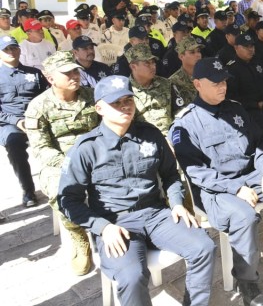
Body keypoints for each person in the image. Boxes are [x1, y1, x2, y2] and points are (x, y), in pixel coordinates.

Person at [58, 75, 215, 306]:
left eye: (128, 101)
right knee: (132, 277)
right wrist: (103, 228)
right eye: (116, 103)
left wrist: (177, 203)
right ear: (99, 108)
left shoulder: (149, 135)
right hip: (116, 223)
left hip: (156, 214)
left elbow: (170, 174)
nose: (124, 107)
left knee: (204, 247)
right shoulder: (86, 148)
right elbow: (68, 200)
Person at [170, 58, 263, 306]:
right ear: (197, 84)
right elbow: (196, 172)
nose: (222, 86)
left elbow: (261, 144)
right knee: (243, 216)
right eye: (215, 82)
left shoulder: (236, 110)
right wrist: (236, 189)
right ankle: (247, 282)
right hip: (217, 189)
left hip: (252, 175)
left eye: (224, 80)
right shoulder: (185, 123)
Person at [24, 51, 99, 275]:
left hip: (97, 155)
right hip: (61, 163)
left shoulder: (92, 95)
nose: (74, 76)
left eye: (75, 70)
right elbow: (41, 148)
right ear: (50, 78)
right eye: (67, 73)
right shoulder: (38, 106)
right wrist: (71, 164)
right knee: (59, 191)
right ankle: (79, 237)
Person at [0, 36, 48, 207]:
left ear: (20, 50)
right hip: (10, 123)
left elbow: (47, 97)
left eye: (14, 48)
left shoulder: (34, 73)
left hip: (37, 119)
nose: (11, 52)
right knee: (14, 145)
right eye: (6, 50)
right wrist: (17, 121)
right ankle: (28, 191)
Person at [126, 44, 184, 136]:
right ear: (133, 66)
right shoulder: (125, 90)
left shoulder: (167, 84)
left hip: (170, 136)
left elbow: (180, 112)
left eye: (153, 62)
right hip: (143, 141)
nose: (153, 66)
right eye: (147, 63)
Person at [226, 33, 263, 127]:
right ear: (236, 48)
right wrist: (255, 105)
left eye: (252, 46)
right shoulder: (231, 69)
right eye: (246, 47)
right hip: (247, 111)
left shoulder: (259, 62)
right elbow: (232, 98)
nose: (250, 49)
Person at [169, 37, 203, 106]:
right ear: (181, 56)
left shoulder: (208, 74)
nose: (198, 55)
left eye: (198, 51)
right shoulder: (173, 82)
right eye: (192, 52)